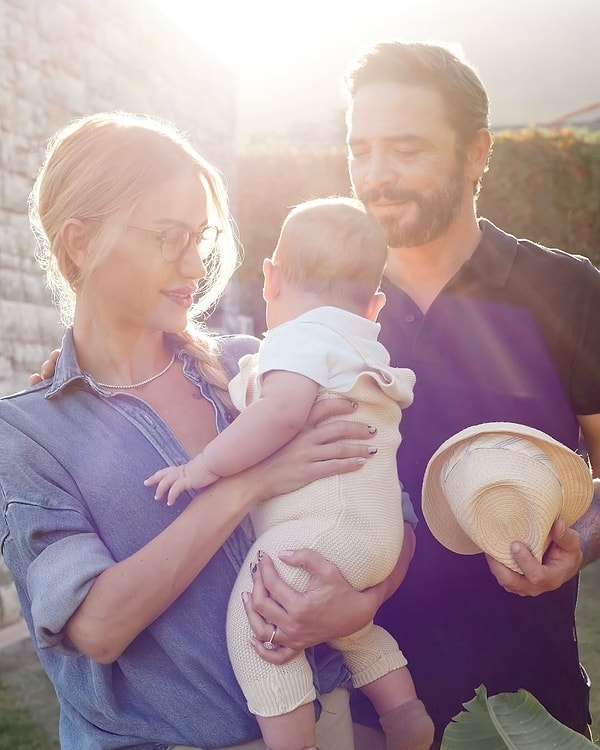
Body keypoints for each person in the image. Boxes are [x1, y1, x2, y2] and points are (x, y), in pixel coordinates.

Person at [0, 112, 407, 750]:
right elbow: (99, 628)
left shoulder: (264, 368)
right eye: (169, 237)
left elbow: (388, 508)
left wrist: (359, 606)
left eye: (201, 237)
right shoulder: (28, 433)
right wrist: (247, 484)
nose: (194, 263)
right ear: (80, 242)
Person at [337, 40, 600, 748]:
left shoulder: (566, 289)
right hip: (354, 707)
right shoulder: (330, 299)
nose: (376, 176)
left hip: (525, 707)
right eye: (360, 149)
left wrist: (585, 541)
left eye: (407, 149)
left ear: (477, 151)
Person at [145, 196, 434, 750]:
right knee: (350, 628)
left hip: (320, 528)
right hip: (373, 534)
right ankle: (404, 712)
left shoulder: (300, 340)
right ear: (374, 306)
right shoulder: (358, 349)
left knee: (258, 620)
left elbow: (278, 415)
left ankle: (292, 742)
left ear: (270, 280)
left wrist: (202, 465)